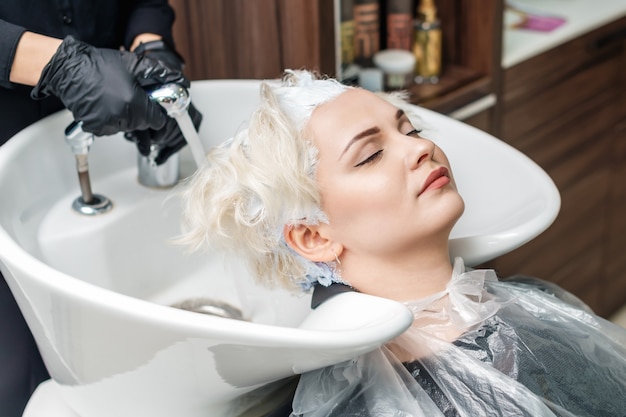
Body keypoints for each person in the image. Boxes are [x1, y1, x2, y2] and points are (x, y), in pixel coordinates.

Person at [178, 69, 626, 417]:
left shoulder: (536, 301)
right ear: (314, 235)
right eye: (370, 155)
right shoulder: (363, 401)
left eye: (410, 130)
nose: (419, 149)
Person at [0, 2, 201, 415]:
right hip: (9, 135)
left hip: (110, 113)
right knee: (16, 381)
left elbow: (145, 3)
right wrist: (56, 64)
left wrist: (151, 44)